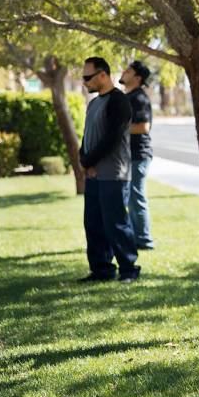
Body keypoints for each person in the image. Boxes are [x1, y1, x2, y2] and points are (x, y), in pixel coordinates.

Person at [78, 56, 140, 283]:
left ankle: (128, 269)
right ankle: (101, 270)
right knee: (93, 223)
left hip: (114, 174)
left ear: (103, 75)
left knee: (115, 223)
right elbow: (88, 137)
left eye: (88, 77)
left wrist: (89, 162)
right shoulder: (93, 103)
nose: (84, 82)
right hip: (94, 174)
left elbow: (112, 139)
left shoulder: (119, 101)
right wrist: (84, 159)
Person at [120, 60, 155, 250]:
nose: (124, 72)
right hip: (128, 155)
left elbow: (143, 127)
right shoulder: (129, 96)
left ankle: (144, 240)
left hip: (138, 154)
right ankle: (135, 236)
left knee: (136, 196)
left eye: (128, 71)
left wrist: (117, 128)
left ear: (137, 78)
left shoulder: (139, 98)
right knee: (131, 198)